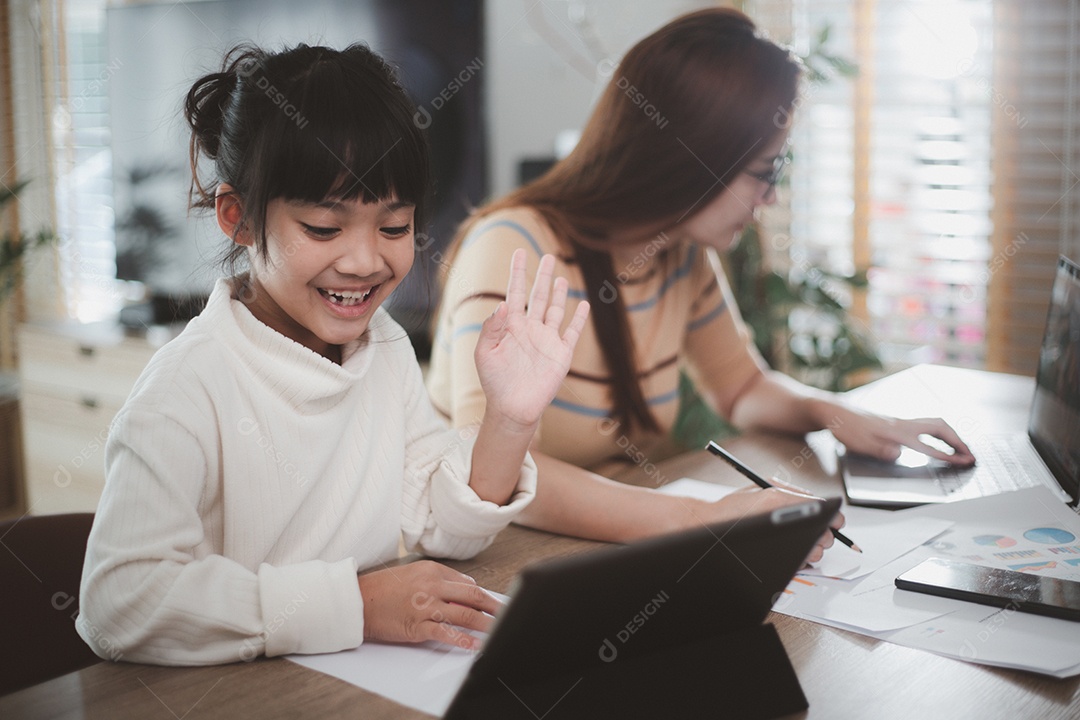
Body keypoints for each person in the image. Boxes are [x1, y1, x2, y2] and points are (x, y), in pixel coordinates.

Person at [76, 42, 591, 665]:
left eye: (394, 226)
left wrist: (510, 421)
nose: (366, 260)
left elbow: (441, 524)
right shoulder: (186, 387)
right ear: (238, 217)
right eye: (324, 228)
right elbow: (119, 603)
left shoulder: (387, 348)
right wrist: (356, 603)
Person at [427, 8, 975, 543]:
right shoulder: (511, 248)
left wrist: (835, 414)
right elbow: (495, 470)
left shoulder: (680, 254)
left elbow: (741, 388)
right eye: (764, 174)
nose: (770, 198)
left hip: (595, 539)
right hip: (493, 553)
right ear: (692, 159)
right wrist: (699, 518)